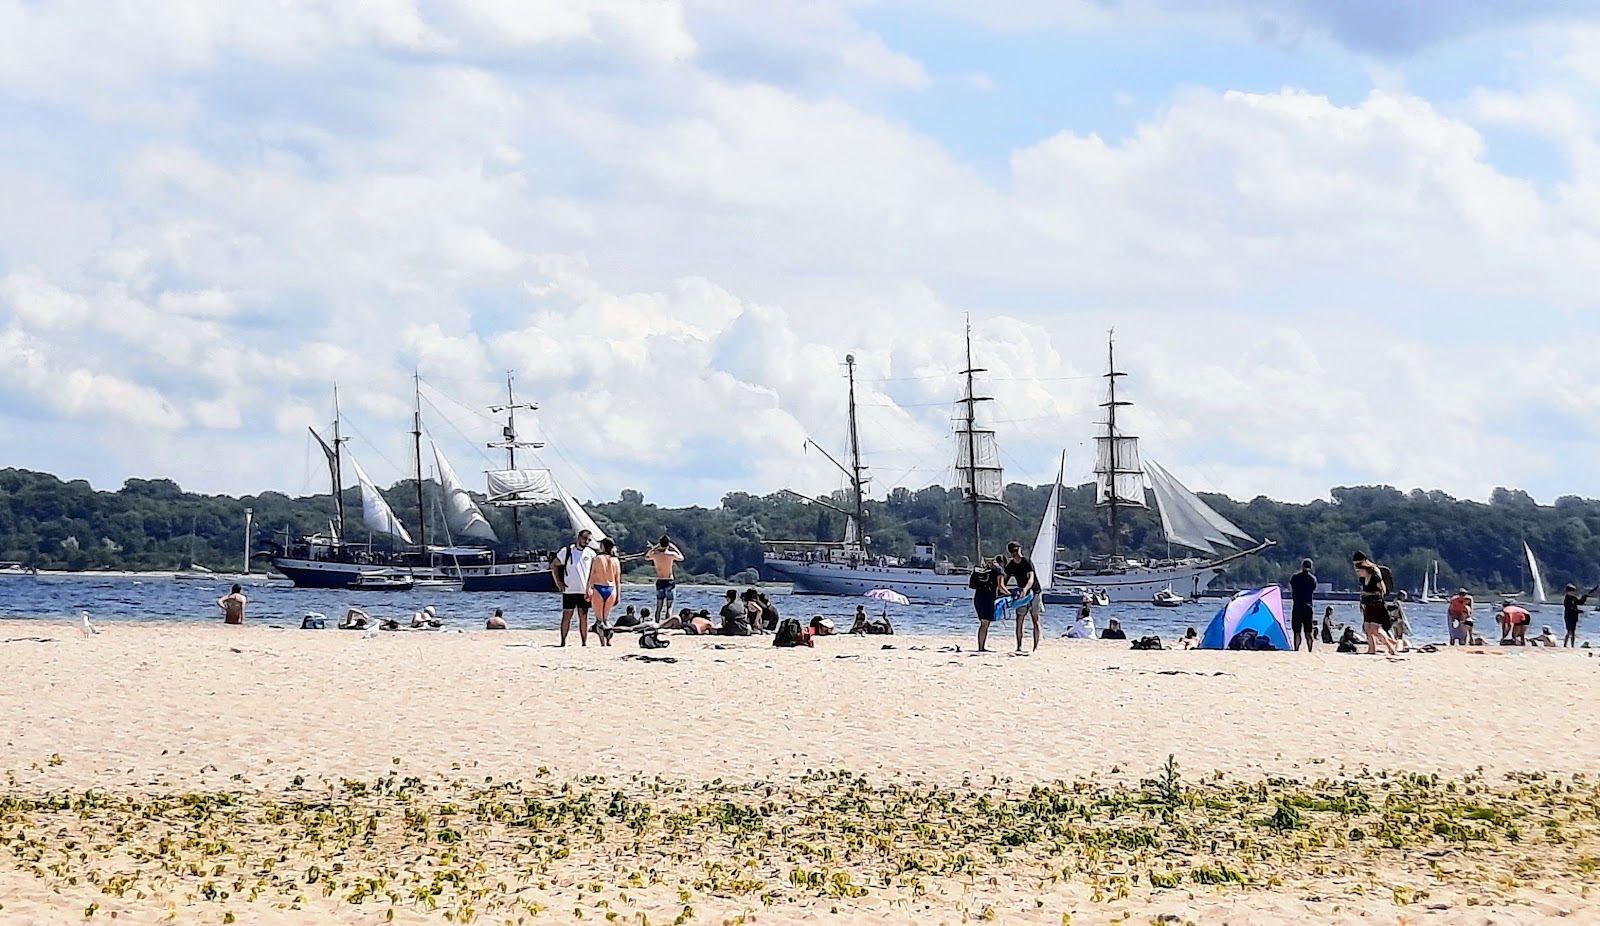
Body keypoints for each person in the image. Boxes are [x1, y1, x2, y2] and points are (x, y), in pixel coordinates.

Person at [551, 528, 596, 647]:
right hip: (569, 589)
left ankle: (584, 642)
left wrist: (591, 587)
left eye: (589, 540)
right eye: (585, 539)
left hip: (584, 590)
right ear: (579, 538)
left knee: (584, 617)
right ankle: (563, 641)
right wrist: (558, 582)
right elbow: (554, 565)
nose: (586, 542)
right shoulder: (567, 551)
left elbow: (593, 572)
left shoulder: (591, 553)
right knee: (567, 615)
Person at [1353, 552, 1397, 656]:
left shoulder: (1375, 574)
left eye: (1359, 569)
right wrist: (1362, 602)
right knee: (1367, 628)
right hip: (1368, 605)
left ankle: (1390, 647)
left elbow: (1382, 590)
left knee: (1375, 629)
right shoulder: (1363, 579)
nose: (1358, 572)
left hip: (1377, 605)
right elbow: (1362, 592)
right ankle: (1371, 649)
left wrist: (1368, 594)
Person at [1004, 540, 1043, 653]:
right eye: (1013, 551)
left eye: (1017, 550)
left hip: (1034, 592)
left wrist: (1025, 589)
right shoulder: (1011, 565)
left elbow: (1031, 579)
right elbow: (1004, 578)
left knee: (1035, 619)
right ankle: (1019, 646)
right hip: (1021, 594)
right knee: (1019, 619)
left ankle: (1035, 647)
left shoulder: (1027, 562)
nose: (1016, 553)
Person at [587, 538, 622, 646]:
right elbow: (617, 580)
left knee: (599, 619)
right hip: (611, 589)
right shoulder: (616, 560)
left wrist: (588, 588)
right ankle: (608, 639)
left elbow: (592, 575)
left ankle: (602, 641)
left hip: (599, 588)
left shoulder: (598, 559)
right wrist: (618, 595)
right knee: (606, 618)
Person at [971, 554, 1006, 652]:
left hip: (978, 597)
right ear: (1002, 563)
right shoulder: (999, 570)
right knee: (985, 624)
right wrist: (1010, 594)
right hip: (987, 598)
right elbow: (1001, 587)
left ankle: (981, 646)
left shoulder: (987, 568)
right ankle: (981, 648)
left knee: (983, 623)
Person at [645, 535, 684, 620]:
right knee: (669, 607)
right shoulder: (671, 554)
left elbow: (647, 556)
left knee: (659, 607)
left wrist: (655, 547)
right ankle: (667, 624)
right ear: (668, 544)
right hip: (669, 581)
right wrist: (674, 547)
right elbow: (681, 557)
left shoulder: (655, 555)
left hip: (660, 581)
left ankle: (657, 623)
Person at [1288, 559, 1317, 652]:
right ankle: (1310, 650)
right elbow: (1313, 588)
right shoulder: (1312, 579)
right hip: (1308, 607)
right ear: (1311, 567)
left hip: (1297, 606)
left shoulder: (1295, 577)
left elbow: (1292, 586)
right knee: (1308, 632)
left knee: (1297, 632)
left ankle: (1296, 649)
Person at [1563, 583, 1598, 648]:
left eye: (1573, 591)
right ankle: (1565, 645)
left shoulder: (1573, 598)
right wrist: (1578, 611)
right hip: (1568, 616)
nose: (1572, 593)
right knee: (1569, 631)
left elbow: (1580, 602)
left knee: (1573, 631)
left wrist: (1584, 597)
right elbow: (1570, 608)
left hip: (1574, 617)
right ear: (1568, 591)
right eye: (1571, 591)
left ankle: (1572, 646)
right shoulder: (1566, 599)